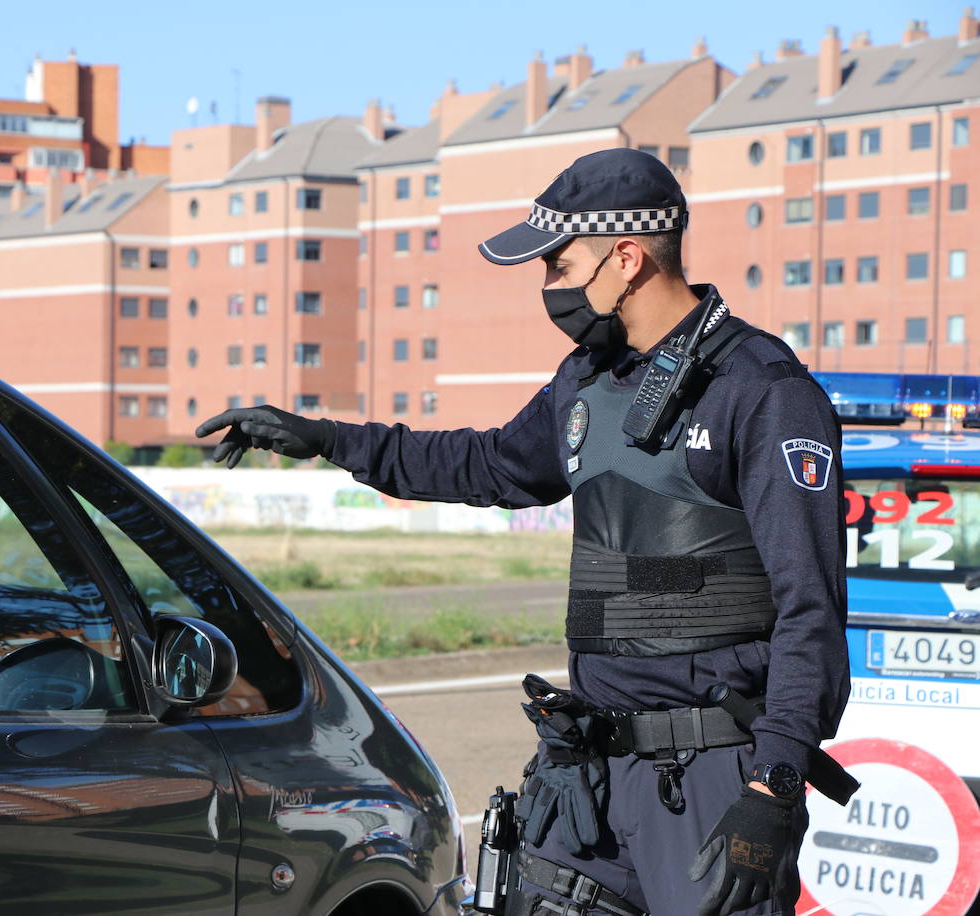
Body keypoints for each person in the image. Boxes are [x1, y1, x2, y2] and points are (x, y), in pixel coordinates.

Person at [195, 148, 849, 916]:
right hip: (588, 780)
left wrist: (774, 783)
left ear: (628, 257)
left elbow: (811, 610)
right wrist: (330, 440)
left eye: (558, 265)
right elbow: (486, 465)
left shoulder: (764, 393)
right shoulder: (585, 381)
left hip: (709, 780)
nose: (549, 287)